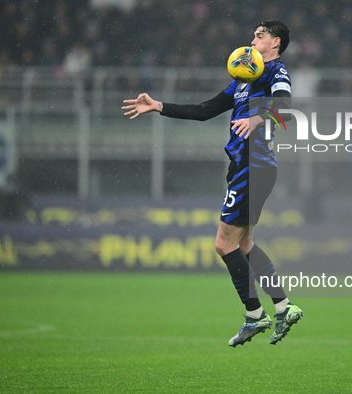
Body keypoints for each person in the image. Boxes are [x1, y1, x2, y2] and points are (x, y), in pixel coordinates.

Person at [122, 20, 303, 347]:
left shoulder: (275, 71)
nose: (252, 40)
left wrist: (258, 118)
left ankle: (254, 316)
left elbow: (287, 109)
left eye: (259, 36)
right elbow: (205, 110)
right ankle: (283, 306)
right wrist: (158, 106)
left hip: (254, 164)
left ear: (275, 43)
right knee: (244, 244)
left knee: (224, 244)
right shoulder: (244, 79)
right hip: (246, 166)